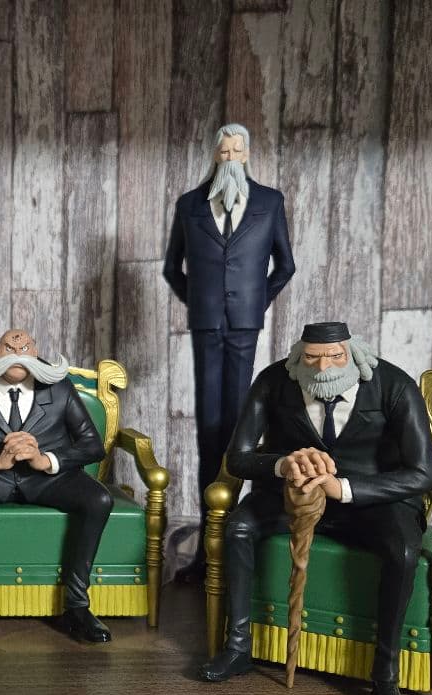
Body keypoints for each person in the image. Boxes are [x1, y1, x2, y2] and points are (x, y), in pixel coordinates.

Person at [197, 322, 432, 695]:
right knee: (237, 527)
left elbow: (423, 473)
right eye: (311, 358)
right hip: (294, 494)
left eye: (335, 357)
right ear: (298, 357)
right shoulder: (273, 381)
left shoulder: (395, 385)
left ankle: (385, 675)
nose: (323, 367)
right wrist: (282, 464)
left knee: (403, 550)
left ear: (353, 354)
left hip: (373, 500)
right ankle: (238, 648)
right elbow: (238, 458)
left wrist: (341, 488)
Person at [162, 122, 297, 582]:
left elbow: (285, 265)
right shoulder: (189, 205)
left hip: (244, 325)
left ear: (248, 155)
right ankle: (207, 548)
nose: (231, 159)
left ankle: (237, 542)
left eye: (238, 152)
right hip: (206, 326)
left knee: (238, 429)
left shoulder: (269, 202)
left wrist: (254, 303)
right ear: (213, 155)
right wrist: (202, 304)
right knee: (207, 431)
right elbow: (173, 269)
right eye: (224, 152)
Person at [0, 329, 114, 645]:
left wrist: (44, 460)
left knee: (99, 499)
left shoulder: (60, 388)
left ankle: (77, 607)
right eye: (9, 347)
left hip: (44, 477)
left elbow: (92, 445)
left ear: (36, 353)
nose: (17, 354)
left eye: (25, 347)